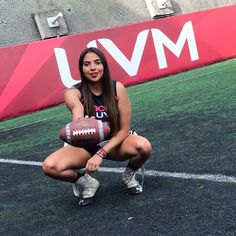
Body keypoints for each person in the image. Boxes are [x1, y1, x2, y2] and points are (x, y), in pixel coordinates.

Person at [42, 47, 152, 206]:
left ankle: (129, 175)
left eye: (97, 63)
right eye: (87, 64)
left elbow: (123, 130)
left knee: (144, 146)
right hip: (85, 146)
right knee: (50, 166)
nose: (93, 68)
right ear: (81, 69)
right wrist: (80, 122)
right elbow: (75, 106)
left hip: (115, 142)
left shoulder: (117, 88)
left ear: (104, 66)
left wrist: (100, 154)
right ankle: (88, 182)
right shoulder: (73, 92)